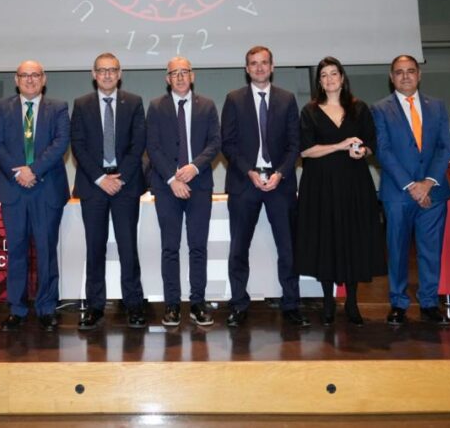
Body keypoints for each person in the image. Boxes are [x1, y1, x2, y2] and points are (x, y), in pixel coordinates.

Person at [295, 56, 385, 326]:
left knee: (353, 239)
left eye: (334, 74)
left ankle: (353, 302)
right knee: (325, 240)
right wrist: (340, 145)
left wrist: (361, 151)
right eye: (324, 75)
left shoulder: (360, 109)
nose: (330, 79)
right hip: (319, 185)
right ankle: (328, 303)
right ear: (319, 82)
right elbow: (306, 150)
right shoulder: (309, 111)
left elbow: (371, 144)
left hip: (353, 184)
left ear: (342, 78)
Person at [221, 46, 305, 327]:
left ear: (272, 67)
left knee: (288, 248)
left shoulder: (287, 99)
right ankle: (238, 304)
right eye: (253, 64)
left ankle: (291, 303)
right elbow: (228, 143)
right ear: (247, 69)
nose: (259, 68)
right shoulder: (233, 99)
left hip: (280, 184)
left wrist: (280, 173)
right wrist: (249, 171)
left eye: (264, 63)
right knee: (238, 248)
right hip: (245, 184)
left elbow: (295, 143)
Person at [0, 60, 70, 332]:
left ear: (44, 79)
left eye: (35, 75)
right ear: (16, 79)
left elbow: (60, 143)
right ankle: (17, 309)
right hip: (14, 191)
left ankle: (47, 308)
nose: (30, 80)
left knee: (47, 252)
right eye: (25, 75)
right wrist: (18, 173)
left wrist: (33, 170)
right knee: (17, 252)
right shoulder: (2, 108)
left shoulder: (58, 108)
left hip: (46, 189)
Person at [372, 54, 450, 326]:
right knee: (396, 250)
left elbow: (444, 147)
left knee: (430, 250)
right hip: (398, 193)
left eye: (410, 71)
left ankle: (429, 303)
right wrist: (411, 185)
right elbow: (382, 150)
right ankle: (398, 303)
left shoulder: (437, 106)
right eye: (399, 72)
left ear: (419, 75)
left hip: (434, 192)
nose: (405, 76)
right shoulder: (380, 109)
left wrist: (428, 182)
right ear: (391, 77)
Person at [71, 52, 147, 330]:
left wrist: (120, 177)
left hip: (125, 186)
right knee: (95, 248)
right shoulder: (81, 104)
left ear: (119, 73)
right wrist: (101, 178)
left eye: (112, 70)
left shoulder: (134, 103)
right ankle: (94, 307)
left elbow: (139, 144)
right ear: (93, 74)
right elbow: (77, 144)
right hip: (94, 187)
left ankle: (134, 305)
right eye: (101, 70)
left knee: (128, 248)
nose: (106, 75)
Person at [146, 57, 221, 328]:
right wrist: (171, 178)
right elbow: (152, 146)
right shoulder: (156, 107)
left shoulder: (208, 105)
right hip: (167, 188)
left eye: (184, 72)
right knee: (170, 248)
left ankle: (198, 303)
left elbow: (215, 142)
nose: (179, 77)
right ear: (167, 78)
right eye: (173, 73)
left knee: (198, 247)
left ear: (193, 75)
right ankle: (172, 305)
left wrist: (194, 167)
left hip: (199, 185)